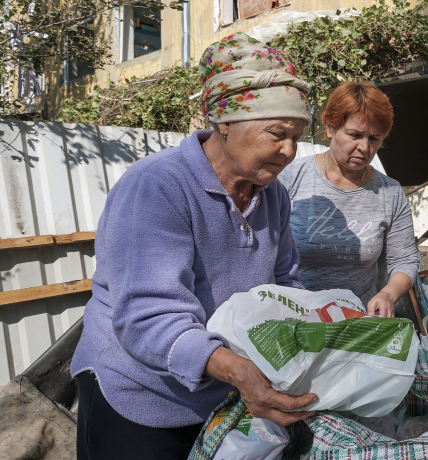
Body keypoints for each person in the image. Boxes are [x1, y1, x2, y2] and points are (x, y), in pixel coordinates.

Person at [71, 32, 318, 460]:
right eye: (277, 133)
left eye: (297, 136)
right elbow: (148, 317)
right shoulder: (158, 185)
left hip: (224, 391)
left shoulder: (272, 194)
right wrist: (237, 370)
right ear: (224, 122)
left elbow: (283, 283)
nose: (289, 151)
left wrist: (312, 333)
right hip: (143, 393)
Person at [279, 80, 418, 318]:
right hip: (294, 316)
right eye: (354, 135)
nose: (364, 147)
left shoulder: (390, 192)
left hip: (356, 319)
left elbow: (405, 260)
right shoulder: (290, 178)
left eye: (374, 138)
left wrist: (387, 294)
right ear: (330, 129)